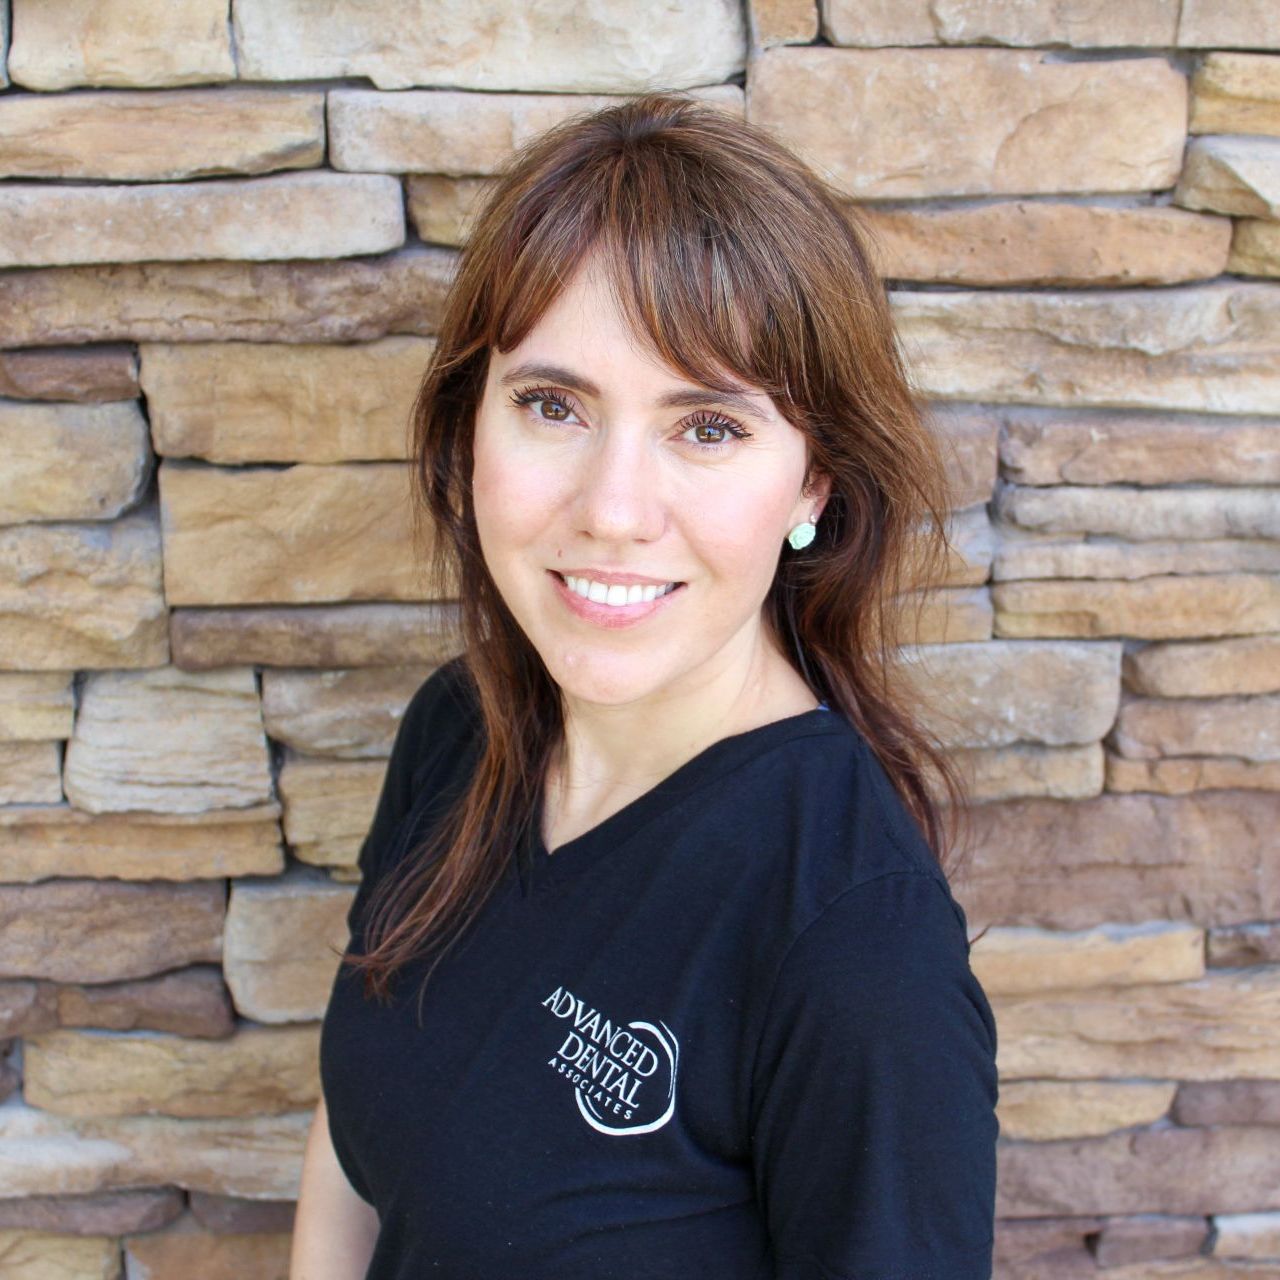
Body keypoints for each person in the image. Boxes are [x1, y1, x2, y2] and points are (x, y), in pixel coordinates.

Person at [291, 91, 998, 1280]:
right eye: (552, 405)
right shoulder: (454, 730)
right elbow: (356, 1149)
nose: (613, 509)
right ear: (473, 427)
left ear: (811, 486)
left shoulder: (855, 953)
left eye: (707, 427)